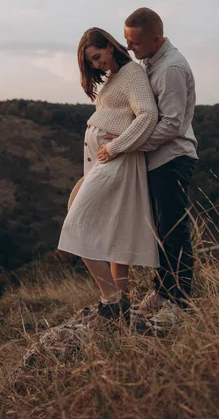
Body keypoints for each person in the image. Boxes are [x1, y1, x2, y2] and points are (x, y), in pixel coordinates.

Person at [57, 27, 159, 329]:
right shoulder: (115, 79)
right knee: (114, 234)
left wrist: (116, 146)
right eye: (92, 63)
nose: (97, 65)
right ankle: (120, 308)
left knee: (76, 227)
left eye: (98, 57)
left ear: (111, 47)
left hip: (117, 163)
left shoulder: (132, 75)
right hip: (103, 165)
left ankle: (112, 300)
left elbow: (148, 115)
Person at [114, 7, 198, 333]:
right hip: (155, 160)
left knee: (174, 232)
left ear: (156, 39)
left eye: (134, 42)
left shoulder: (172, 68)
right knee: (159, 234)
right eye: (126, 41)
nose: (130, 48)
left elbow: (172, 125)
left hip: (173, 159)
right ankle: (161, 291)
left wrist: (130, 143)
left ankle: (179, 304)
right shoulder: (149, 63)